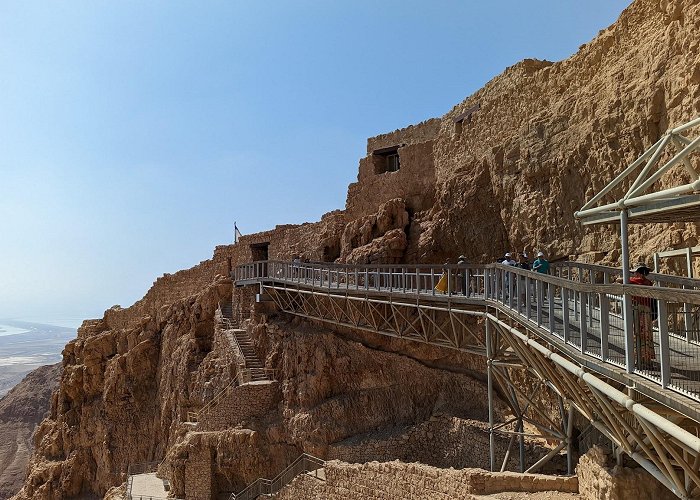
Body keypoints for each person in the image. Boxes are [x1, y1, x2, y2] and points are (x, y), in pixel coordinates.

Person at [629, 263, 655, 370]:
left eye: (635, 272)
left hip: (638, 310)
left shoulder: (636, 281)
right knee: (648, 335)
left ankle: (639, 360)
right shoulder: (648, 283)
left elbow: (619, 280)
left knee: (638, 334)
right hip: (647, 311)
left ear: (638, 272)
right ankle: (647, 360)